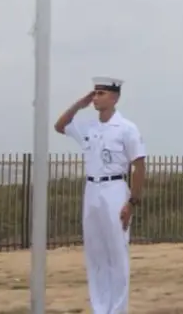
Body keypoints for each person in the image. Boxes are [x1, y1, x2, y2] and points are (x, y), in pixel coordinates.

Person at [54, 76, 146, 314]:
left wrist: (132, 202)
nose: (96, 98)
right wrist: (79, 104)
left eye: (101, 93)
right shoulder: (89, 127)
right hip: (92, 190)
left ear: (114, 97)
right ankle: (100, 308)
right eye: (94, 93)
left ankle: (117, 309)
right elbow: (60, 125)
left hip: (114, 189)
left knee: (116, 253)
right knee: (95, 254)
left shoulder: (126, 128)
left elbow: (139, 165)